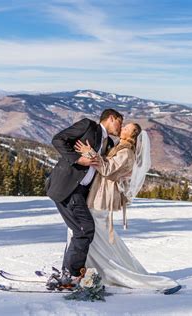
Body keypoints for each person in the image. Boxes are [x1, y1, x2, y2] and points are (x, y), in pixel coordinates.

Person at [73, 123, 182, 294]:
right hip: (99, 193)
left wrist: (89, 153)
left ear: (133, 135)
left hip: (102, 197)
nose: (122, 128)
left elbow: (108, 169)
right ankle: (87, 270)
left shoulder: (126, 152)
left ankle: (107, 273)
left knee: (93, 234)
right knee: (95, 235)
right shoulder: (120, 148)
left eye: (127, 128)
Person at [46, 109, 123, 286]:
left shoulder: (109, 144)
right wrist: (78, 159)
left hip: (82, 192)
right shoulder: (89, 126)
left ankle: (68, 272)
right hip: (67, 187)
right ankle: (71, 275)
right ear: (111, 118)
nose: (121, 126)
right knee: (84, 229)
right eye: (120, 121)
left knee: (82, 229)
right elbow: (58, 139)